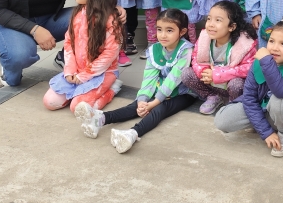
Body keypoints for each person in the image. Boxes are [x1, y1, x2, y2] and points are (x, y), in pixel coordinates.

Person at [74, 9, 197, 154]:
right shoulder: (155, 49)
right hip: (161, 88)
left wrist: (153, 103)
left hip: (183, 93)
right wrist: (142, 100)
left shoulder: (185, 50)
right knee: (136, 105)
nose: (163, 35)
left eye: (169, 30)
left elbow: (173, 80)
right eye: (159, 29)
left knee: (160, 108)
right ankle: (100, 119)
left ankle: (132, 134)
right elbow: (149, 78)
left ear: (182, 32)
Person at [214, 19, 283, 158]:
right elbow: (249, 99)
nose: (274, 48)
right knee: (222, 120)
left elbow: (280, 92)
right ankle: (260, 124)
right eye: (272, 41)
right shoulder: (260, 62)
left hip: (282, 115)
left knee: (278, 102)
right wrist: (266, 132)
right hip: (262, 110)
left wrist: (267, 62)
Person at [42, 0, 123, 112]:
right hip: (77, 72)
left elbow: (110, 53)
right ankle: (79, 92)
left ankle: (112, 89)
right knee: (50, 102)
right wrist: (70, 70)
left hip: (102, 73)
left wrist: (85, 75)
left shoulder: (111, 20)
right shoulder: (77, 14)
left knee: (78, 107)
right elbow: (68, 43)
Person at [182, 0, 258, 115]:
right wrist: (204, 72)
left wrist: (217, 74)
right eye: (209, 19)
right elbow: (195, 59)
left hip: (230, 87)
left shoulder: (243, 44)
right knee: (186, 74)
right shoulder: (204, 39)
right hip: (211, 85)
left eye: (218, 20)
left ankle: (233, 103)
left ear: (231, 27)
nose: (211, 24)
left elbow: (248, 69)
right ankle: (213, 97)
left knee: (237, 84)